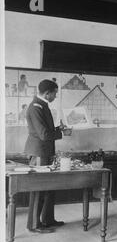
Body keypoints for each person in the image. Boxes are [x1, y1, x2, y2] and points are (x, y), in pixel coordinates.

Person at [25, 79, 69, 233]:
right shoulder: (36, 107)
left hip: (45, 152)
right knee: (39, 188)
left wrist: (60, 129)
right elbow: (43, 134)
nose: (55, 96)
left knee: (49, 186)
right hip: (39, 152)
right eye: (55, 93)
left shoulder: (42, 105)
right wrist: (60, 133)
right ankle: (34, 225)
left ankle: (48, 219)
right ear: (47, 93)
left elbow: (45, 130)